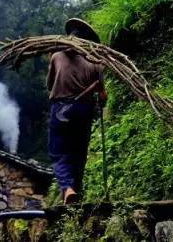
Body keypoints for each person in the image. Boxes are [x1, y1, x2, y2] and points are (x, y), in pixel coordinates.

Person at [46, 18, 107, 205]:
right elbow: (103, 95)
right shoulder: (95, 62)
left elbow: (49, 85)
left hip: (61, 109)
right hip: (84, 110)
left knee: (59, 152)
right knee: (79, 152)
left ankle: (68, 189)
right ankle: (76, 193)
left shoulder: (56, 57)